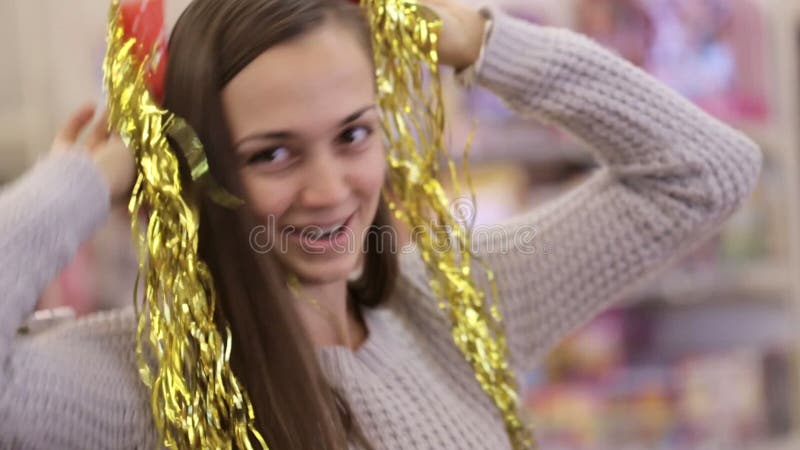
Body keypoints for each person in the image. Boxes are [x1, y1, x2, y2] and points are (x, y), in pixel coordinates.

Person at [0, 0, 762, 448]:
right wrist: (84, 181)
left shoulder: (457, 309)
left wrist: (484, 43)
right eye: (273, 155)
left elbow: (703, 172)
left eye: (353, 135)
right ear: (197, 169)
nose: (329, 191)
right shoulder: (149, 379)